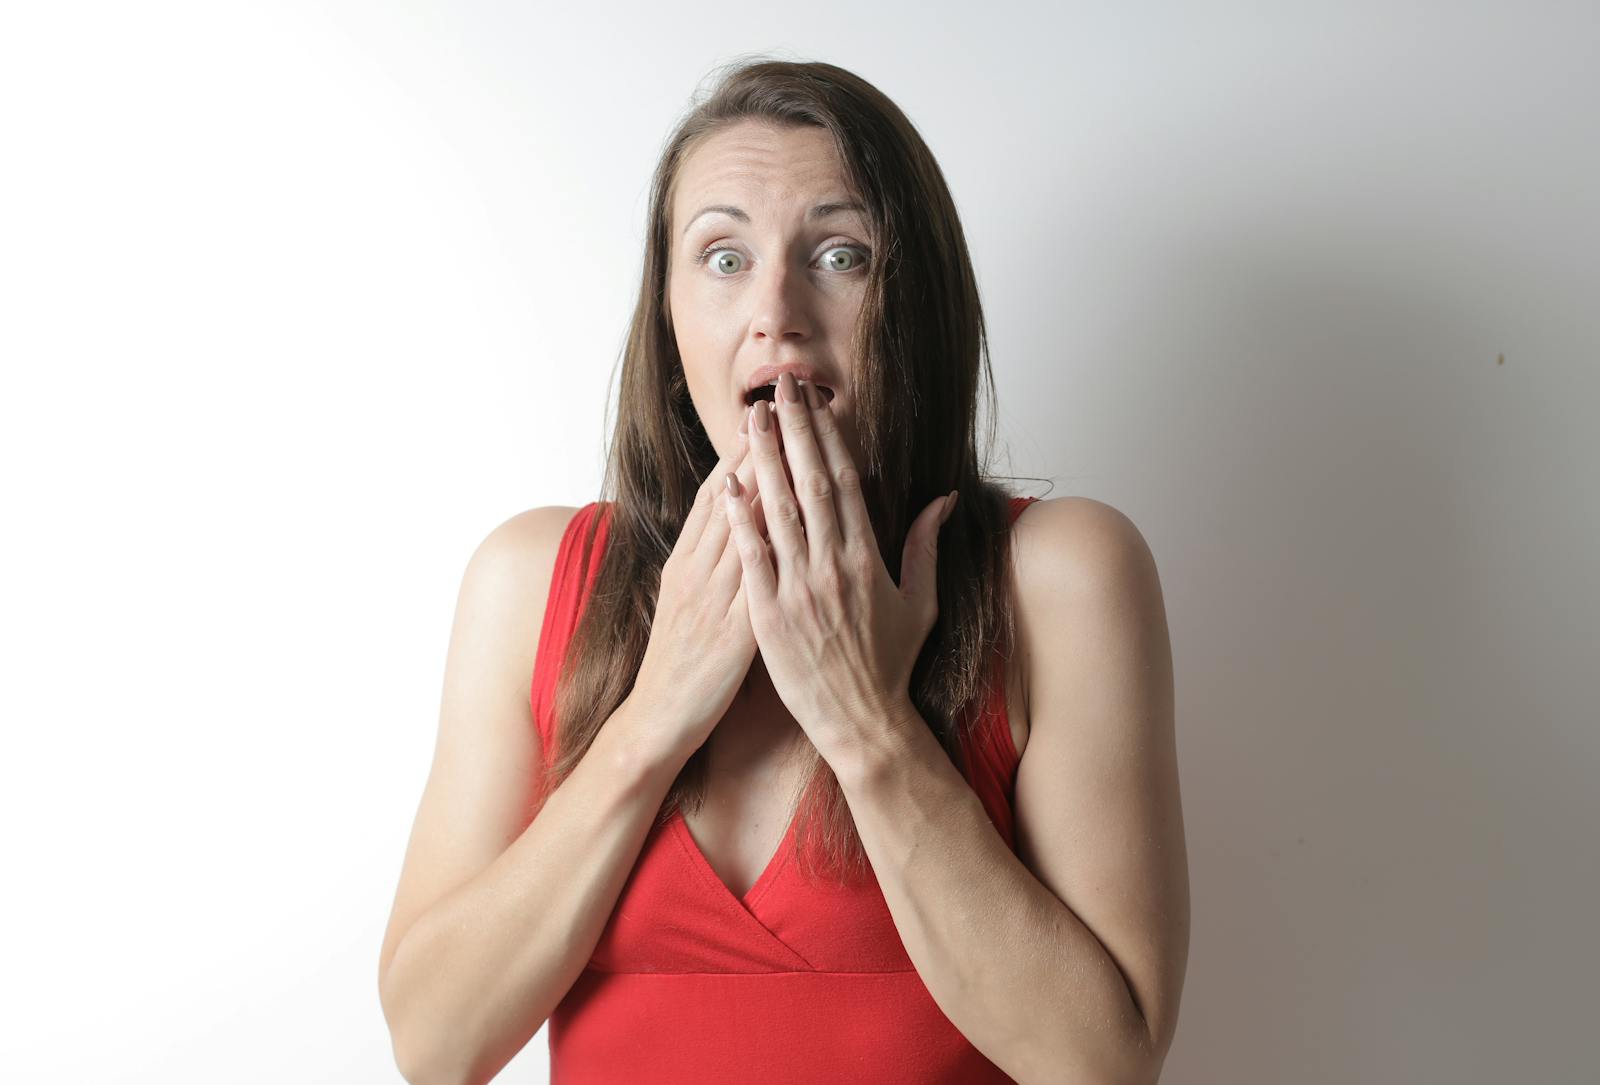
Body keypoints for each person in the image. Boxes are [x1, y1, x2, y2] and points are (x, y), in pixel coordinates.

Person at [378, 57, 1188, 1084]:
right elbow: (435, 1046)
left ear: (915, 303)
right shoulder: (530, 580)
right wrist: (653, 715)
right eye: (722, 257)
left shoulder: (1061, 575)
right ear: (670, 325)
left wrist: (866, 719)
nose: (777, 310)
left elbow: (1101, 1066)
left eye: (840, 252)